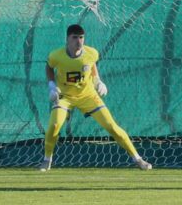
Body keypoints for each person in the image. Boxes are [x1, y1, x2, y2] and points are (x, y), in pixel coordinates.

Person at [39, 24, 152, 171]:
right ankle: (47, 159)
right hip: (65, 96)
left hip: (88, 95)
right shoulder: (56, 55)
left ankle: (138, 159)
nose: (79, 41)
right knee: (54, 126)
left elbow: (91, 65)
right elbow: (49, 67)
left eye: (81, 38)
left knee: (112, 127)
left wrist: (97, 80)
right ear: (67, 39)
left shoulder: (91, 53)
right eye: (75, 38)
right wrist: (52, 85)